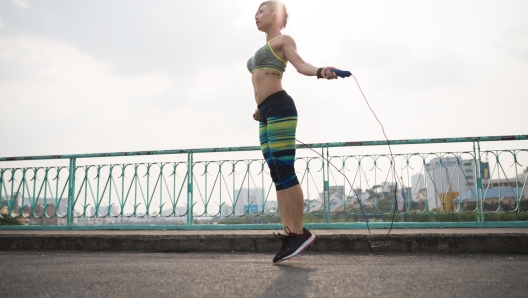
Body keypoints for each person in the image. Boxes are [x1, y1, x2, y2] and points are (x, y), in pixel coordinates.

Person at [248, 0, 340, 263]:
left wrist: (321, 71)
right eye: (255, 12)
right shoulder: (259, 51)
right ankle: (289, 234)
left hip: (280, 106)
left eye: (261, 10)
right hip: (265, 112)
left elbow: (300, 65)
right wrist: (258, 109)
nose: (256, 15)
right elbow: (259, 82)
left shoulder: (283, 41)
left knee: (285, 169)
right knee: (276, 171)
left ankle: (300, 232)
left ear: (275, 15)